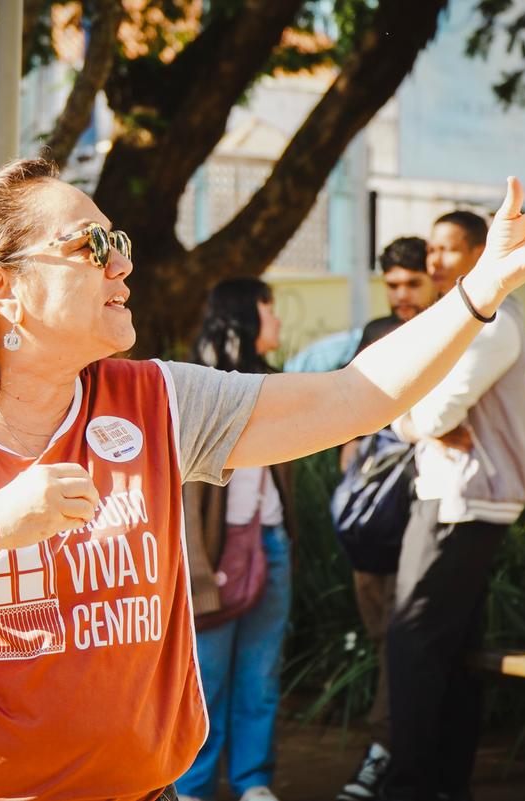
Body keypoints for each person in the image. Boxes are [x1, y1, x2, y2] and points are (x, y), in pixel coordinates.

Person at [0, 159, 525, 801]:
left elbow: (357, 397)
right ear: (2, 288)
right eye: (93, 244)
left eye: (118, 240)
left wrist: (484, 290)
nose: (124, 261)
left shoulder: (158, 399)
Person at [335, 232, 525, 801]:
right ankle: (433, 779)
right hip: (395, 511)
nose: (424, 271)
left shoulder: (484, 320)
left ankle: (413, 782)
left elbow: (520, 396)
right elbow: (380, 399)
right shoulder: (411, 328)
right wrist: (419, 417)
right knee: (428, 645)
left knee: (414, 642)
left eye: (432, 264)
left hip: (454, 498)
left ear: (477, 255)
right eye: (398, 281)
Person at [177, 278, 294, 801]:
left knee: (262, 674)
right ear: (248, 314)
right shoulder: (200, 384)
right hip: (212, 554)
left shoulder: (278, 385)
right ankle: (194, 787)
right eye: (270, 307)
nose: (278, 320)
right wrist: (197, 566)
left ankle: (254, 782)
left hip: (272, 543)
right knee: (207, 679)